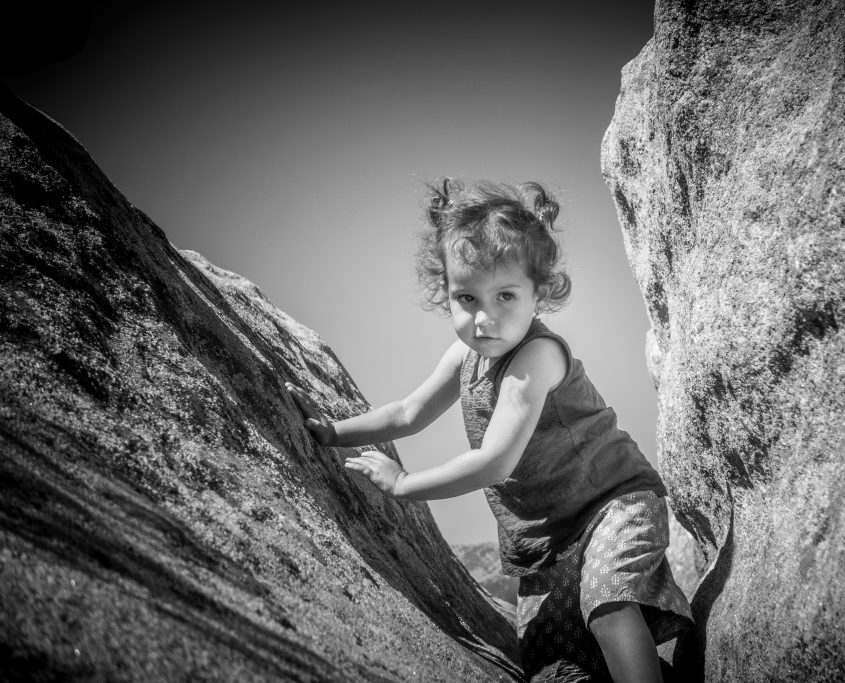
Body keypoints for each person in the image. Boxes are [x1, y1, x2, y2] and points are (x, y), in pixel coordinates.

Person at [286, 179, 692, 682]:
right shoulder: (465, 355)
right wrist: (332, 431)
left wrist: (404, 483)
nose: (484, 318)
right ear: (447, 294)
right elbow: (409, 412)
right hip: (550, 539)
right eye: (467, 297)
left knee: (608, 602)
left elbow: (496, 461)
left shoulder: (537, 357)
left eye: (505, 296)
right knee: (559, 668)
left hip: (613, 505)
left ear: (539, 294)